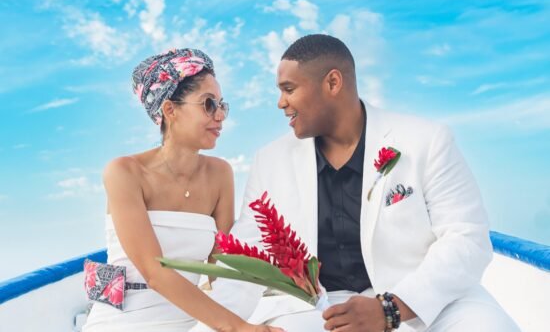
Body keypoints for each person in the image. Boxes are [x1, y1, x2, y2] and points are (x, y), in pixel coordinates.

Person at [191, 35, 519, 331]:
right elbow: (253, 252)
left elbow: (467, 238)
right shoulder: (270, 160)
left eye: (289, 89)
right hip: (312, 310)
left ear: (333, 82)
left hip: (418, 299)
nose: (281, 103)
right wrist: (222, 325)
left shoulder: (426, 140)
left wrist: (391, 307)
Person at [82, 48, 284, 332]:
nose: (220, 116)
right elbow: (154, 272)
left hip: (193, 320)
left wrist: (286, 275)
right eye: (208, 104)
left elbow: (223, 266)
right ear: (170, 110)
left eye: (222, 105)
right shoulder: (124, 172)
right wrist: (238, 327)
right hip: (124, 320)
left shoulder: (219, 174)